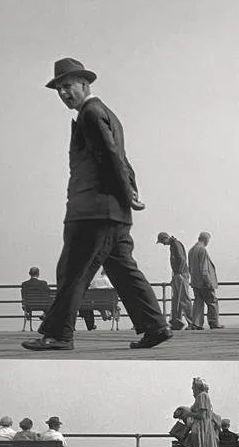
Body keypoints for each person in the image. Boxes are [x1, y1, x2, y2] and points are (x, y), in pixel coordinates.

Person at [21, 57, 171, 352]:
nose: (63, 93)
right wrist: (130, 193)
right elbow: (121, 158)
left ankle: (59, 335)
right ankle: (156, 326)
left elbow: (111, 157)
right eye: (59, 89)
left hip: (93, 211)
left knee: (72, 270)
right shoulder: (105, 114)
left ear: (84, 84)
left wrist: (127, 193)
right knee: (123, 271)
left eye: (67, 86)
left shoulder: (91, 113)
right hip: (113, 212)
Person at [182, 378, 225, 447]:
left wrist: (188, 413)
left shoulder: (202, 396)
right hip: (196, 429)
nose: (192, 389)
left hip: (201, 429)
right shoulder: (200, 397)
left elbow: (202, 415)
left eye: (193, 387)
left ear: (198, 387)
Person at [155, 231, 193, 330]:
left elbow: (181, 258)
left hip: (181, 274)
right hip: (177, 274)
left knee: (184, 299)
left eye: (162, 241)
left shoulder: (175, 244)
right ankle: (177, 321)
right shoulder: (173, 244)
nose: (163, 244)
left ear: (165, 238)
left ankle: (192, 323)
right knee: (176, 299)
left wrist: (179, 273)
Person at [187, 230, 221, 329]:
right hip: (203, 282)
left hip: (195, 281)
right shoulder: (202, 250)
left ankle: (196, 323)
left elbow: (190, 267)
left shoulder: (192, 250)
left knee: (198, 302)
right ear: (206, 239)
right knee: (212, 301)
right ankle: (214, 323)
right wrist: (208, 282)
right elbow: (204, 269)